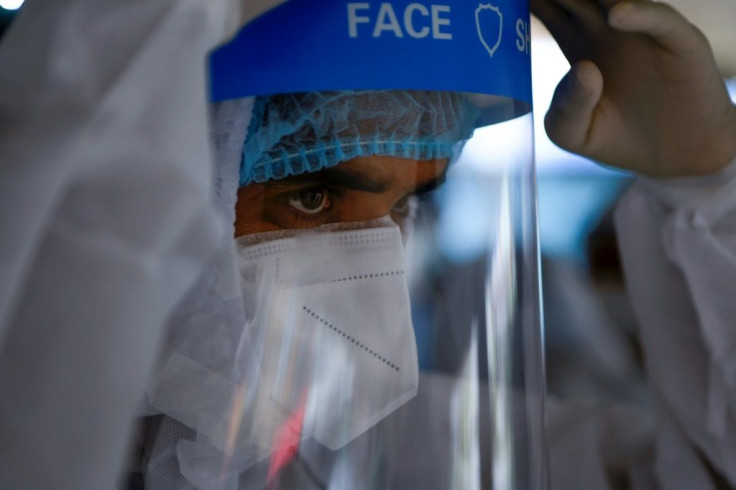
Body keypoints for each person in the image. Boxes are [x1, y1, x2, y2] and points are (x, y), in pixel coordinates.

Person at [0, 0, 734, 489]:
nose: (376, 295)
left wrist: (711, 180)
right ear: (152, 185)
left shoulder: (364, 450)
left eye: (409, 204)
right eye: (314, 197)